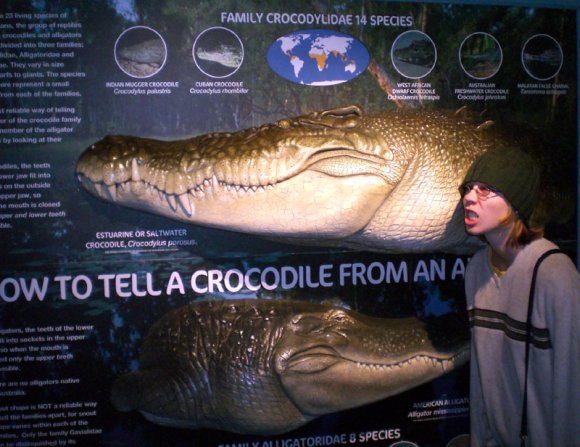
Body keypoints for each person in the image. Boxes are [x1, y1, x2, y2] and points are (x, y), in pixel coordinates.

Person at [459, 146, 580, 446]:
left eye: (486, 189)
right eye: (468, 188)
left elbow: (572, 387)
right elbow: (481, 379)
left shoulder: (554, 275)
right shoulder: (476, 270)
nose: (469, 197)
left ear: (515, 203)